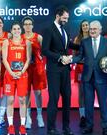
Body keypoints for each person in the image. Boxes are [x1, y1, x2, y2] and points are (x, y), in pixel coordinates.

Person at [70, 20, 107, 135]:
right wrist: (69, 60)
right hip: (87, 78)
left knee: (103, 104)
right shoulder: (84, 41)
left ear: (100, 29)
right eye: (91, 29)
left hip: (102, 78)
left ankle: (105, 127)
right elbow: (79, 56)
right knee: (88, 104)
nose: (92, 31)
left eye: (94, 29)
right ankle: (89, 127)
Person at [42, 6, 74, 135]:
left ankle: (66, 128)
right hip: (54, 70)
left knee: (67, 99)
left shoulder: (64, 30)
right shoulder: (49, 30)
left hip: (65, 70)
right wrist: (60, 57)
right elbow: (45, 50)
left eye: (67, 18)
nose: (66, 20)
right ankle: (51, 128)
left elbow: (68, 45)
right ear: (57, 16)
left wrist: (84, 44)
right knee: (54, 99)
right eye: (64, 18)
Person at [2, 22, 31, 135]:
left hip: (22, 75)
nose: (17, 30)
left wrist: (21, 71)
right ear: (11, 31)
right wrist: (11, 72)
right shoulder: (6, 42)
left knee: (22, 100)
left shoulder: (27, 42)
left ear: (21, 30)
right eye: (14, 29)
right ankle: (10, 126)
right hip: (10, 75)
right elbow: (4, 59)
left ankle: (22, 126)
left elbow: (28, 59)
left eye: (18, 28)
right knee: (10, 100)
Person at [21, 16, 47, 129]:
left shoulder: (39, 37)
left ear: (32, 25)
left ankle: (39, 115)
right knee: (26, 94)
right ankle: (28, 117)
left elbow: (45, 51)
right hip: (25, 68)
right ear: (23, 26)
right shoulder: (20, 38)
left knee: (38, 93)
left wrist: (41, 58)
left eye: (29, 24)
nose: (27, 26)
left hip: (37, 68)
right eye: (25, 24)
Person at [0, 16, 11, 127]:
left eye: (0, 22)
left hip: (6, 66)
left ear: (3, 24)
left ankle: (1, 115)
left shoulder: (8, 35)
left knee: (5, 92)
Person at [73, 19, 89, 128]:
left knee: (90, 92)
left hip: (91, 68)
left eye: (87, 25)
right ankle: (82, 117)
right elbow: (74, 54)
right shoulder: (77, 39)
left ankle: (89, 116)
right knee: (81, 93)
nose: (85, 27)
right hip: (79, 67)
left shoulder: (93, 38)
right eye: (83, 25)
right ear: (81, 27)